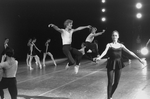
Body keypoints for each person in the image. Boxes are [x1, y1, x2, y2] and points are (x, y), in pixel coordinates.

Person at [95, 30, 145, 99]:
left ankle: (110, 95)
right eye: (113, 35)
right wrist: (100, 57)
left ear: (118, 37)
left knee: (116, 83)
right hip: (111, 63)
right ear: (111, 37)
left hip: (119, 63)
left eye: (116, 35)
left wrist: (139, 59)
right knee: (110, 82)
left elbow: (130, 52)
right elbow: (105, 51)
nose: (114, 37)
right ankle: (108, 98)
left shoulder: (121, 45)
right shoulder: (109, 45)